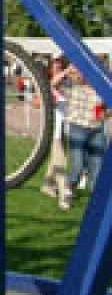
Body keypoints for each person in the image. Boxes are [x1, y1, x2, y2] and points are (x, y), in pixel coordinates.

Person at [53, 62, 109, 207]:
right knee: (77, 168)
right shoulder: (72, 87)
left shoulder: (101, 90)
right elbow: (53, 84)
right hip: (77, 129)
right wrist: (67, 70)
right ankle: (67, 192)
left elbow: (106, 108)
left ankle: (97, 203)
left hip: (96, 130)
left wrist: (105, 113)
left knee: (97, 170)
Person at [40, 56, 71, 209]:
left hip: (63, 129)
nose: (58, 70)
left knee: (55, 159)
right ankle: (64, 192)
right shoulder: (47, 85)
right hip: (52, 130)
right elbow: (52, 83)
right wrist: (67, 71)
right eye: (55, 68)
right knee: (61, 160)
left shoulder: (64, 87)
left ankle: (47, 184)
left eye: (60, 67)